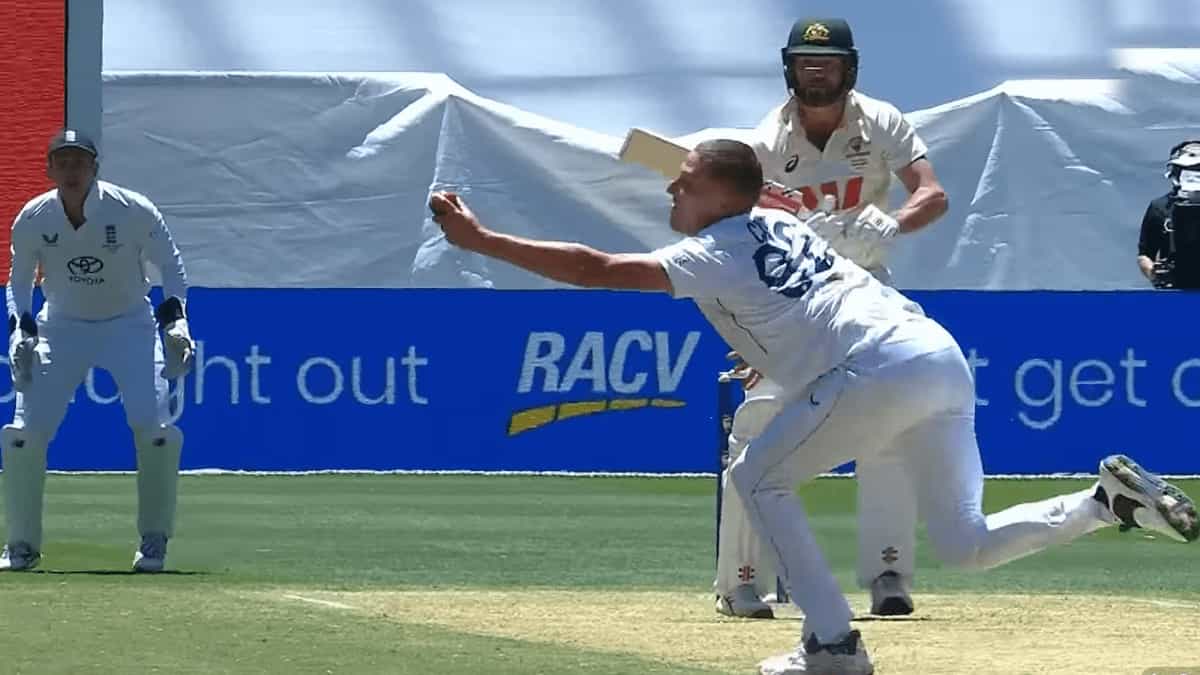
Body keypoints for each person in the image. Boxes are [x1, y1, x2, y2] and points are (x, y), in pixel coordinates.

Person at [428, 139, 1197, 674]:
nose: (671, 187)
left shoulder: (717, 245)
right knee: (966, 542)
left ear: (721, 193)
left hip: (877, 365)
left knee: (757, 475)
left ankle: (831, 643)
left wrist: (479, 239)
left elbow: (597, 269)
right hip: (936, 356)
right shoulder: (775, 221)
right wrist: (769, 350)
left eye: (684, 179)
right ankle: (1104, 503)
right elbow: (789, 300)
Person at [716, 16, 950, 620]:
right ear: (788, 68)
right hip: (795, 302)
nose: (815, 73)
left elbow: (932, 193)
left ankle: (889, 574)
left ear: (850, 68)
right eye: (805, 63)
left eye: (827, 64)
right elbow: (739, 231)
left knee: (890, 428)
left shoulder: (882, 121)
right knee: (759, 424)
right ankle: (740, 580)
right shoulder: (765, 140)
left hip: (871, 300)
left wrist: (892, 224)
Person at [1, 129, 196, 573]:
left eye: (80, 162)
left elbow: (170, 262)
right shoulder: (33, 216)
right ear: (50, 169)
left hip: (129, 323)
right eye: (63, 163)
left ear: (95, 167)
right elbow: (19, 280)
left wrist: (175, 320)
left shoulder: (131, 209)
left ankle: (154, 539)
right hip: (61, 326)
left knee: (155, 428)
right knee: (23, 433)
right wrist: (20, 331)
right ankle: (22, 544)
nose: (72, 171)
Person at [1137, 139, 1200, 289]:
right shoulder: (1159, 207)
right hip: (1176, 288)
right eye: (1191, 171)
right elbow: (1145, 254)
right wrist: (1154, 274)